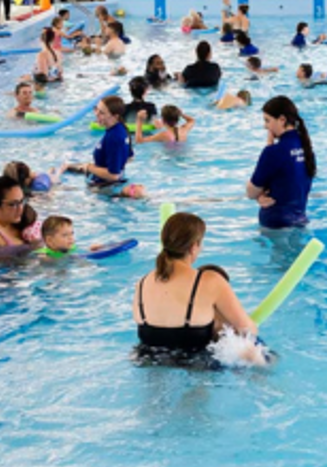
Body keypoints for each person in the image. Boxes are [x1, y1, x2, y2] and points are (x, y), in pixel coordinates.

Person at [133, 212, 259, 356]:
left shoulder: (142, 283)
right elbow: (247, 329)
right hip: (197, 366)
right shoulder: (210, 280)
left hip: (148, 363)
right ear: (194, 247)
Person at [247, 96, 315, 229]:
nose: (265, 126)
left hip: (276, 223)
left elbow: (251, 192)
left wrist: (259, 195)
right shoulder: (306, 148)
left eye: (267, 121)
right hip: (300, 221)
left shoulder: (273, 152)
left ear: (282, 120)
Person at [71, 96, 145, 198]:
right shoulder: (121, 128)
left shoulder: (114, 137)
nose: (96, 114)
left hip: (104, 189)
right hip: (112, 184)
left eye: (102, 113)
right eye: (96, 109)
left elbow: (114, 175)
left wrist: (89, 167)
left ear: (115, 116)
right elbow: (130, 157)